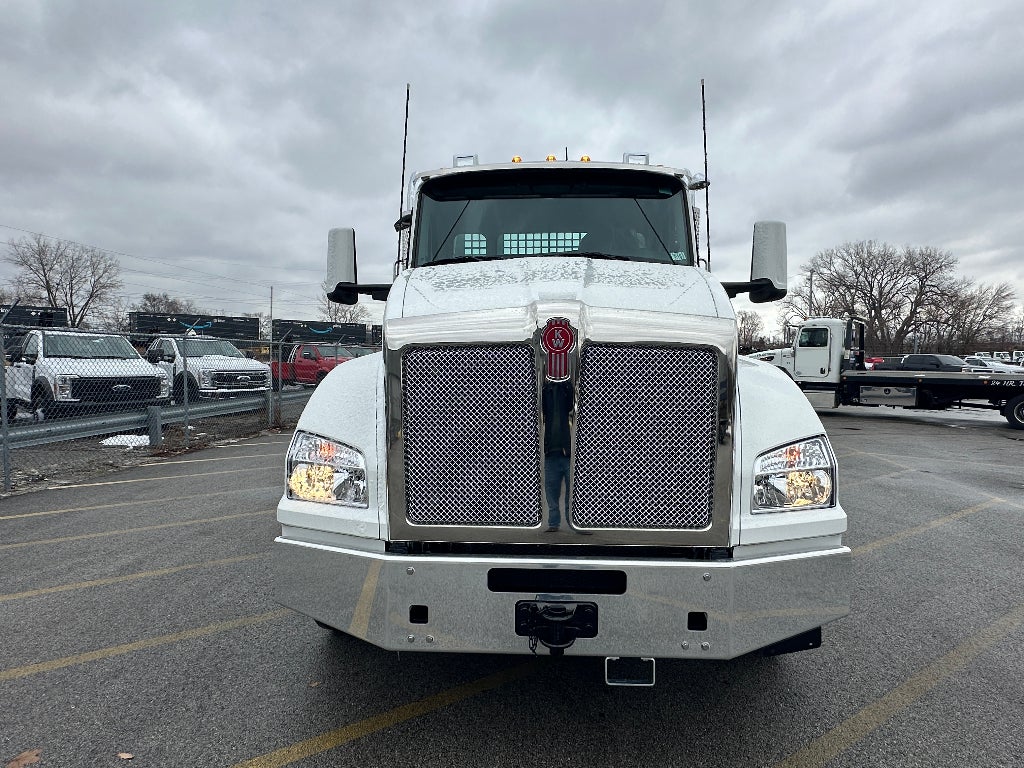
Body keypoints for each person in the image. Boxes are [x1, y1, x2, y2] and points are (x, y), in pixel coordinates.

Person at [542, 379, 573, 531]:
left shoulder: (566, 391)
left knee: (572, 490)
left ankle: (573, 521)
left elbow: (570, 405)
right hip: (551, 452)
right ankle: (553, 523)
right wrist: (546, 387)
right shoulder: (545, 391)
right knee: (551, 490)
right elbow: (542, 408)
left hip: (566, 452)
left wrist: (567, 385)